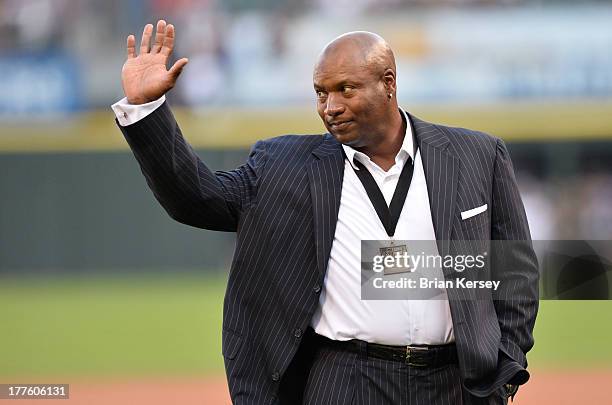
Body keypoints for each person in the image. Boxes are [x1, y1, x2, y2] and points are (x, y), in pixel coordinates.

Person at [112, 20, 539, 405]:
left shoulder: (476, 155)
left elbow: (515, 270)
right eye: (321, 93)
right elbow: (197, 198)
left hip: (455, 384)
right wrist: (147, 111)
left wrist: (504, 372)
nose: (330, 107)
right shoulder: (283, 165)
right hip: (344, 379)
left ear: (388, 83)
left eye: (345, 89)